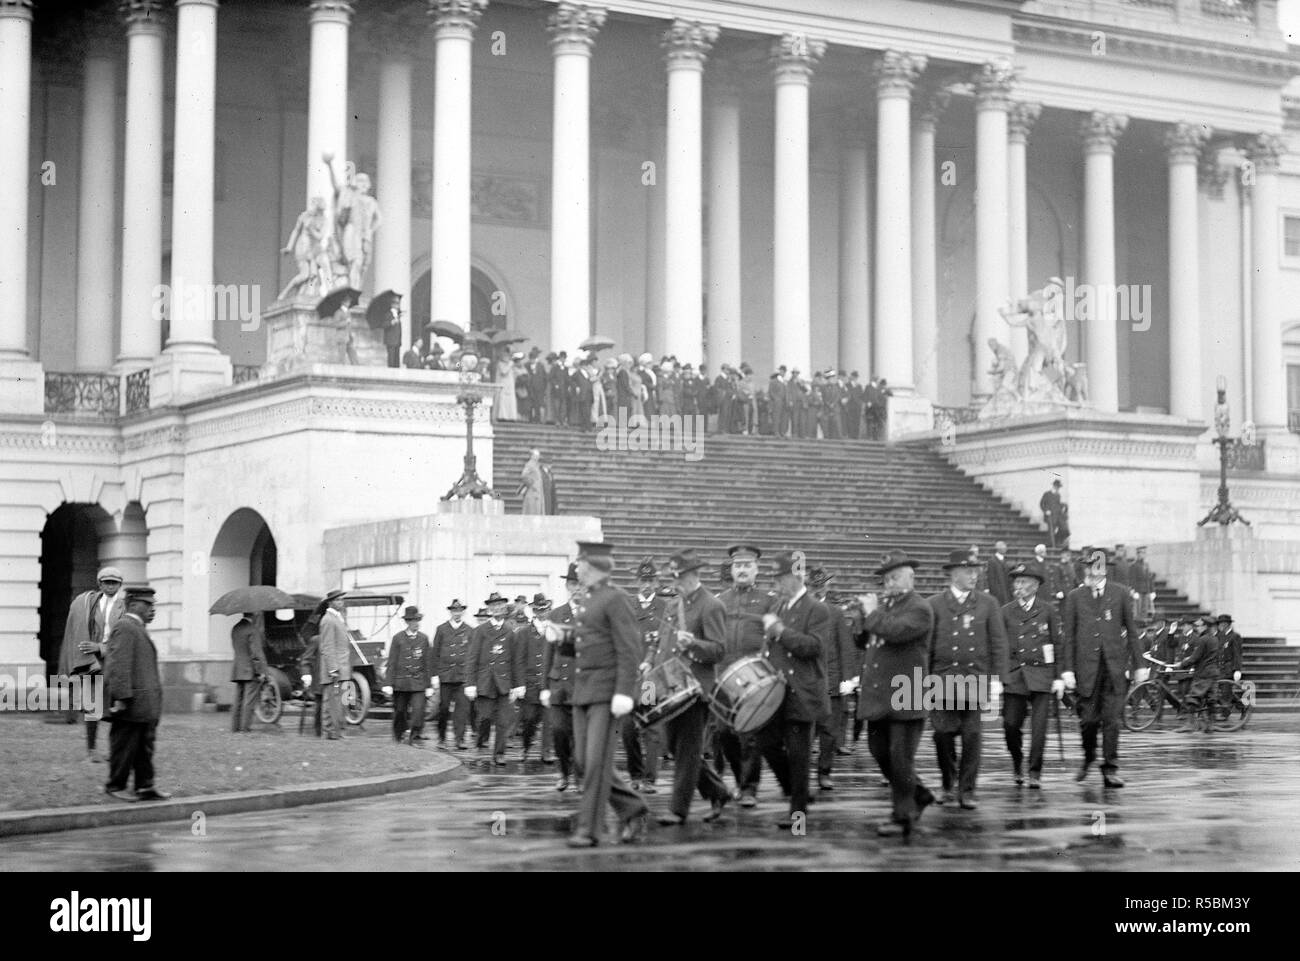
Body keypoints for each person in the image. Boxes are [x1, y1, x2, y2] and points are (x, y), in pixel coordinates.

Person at [566, 541, 650, 847]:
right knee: (583, 761)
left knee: (596, 762)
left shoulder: (615, 599)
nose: (578, 569)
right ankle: (633, 808)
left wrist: (624, 692)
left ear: (596, 567)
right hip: (583, 692)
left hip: (605, 693)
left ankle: (589, 830)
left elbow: (630, 648)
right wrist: (561, 639)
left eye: (581, 565)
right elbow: (586, 643)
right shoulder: (589, 599)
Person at [855, 550, 936, 838]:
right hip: (879, 694)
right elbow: (862, 639)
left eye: (894, 577)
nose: (888, 583)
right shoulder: (885, 605)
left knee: (901, 758)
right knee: (878, 752)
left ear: (910, 578)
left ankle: (903, 816)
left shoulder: (920, 608)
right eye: (885, 578)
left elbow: (896, 631)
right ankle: (920, 793)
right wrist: (862, 616)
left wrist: (872, 613)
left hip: (907, 691)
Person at [649, 549, 731, 826]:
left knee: (687, 750)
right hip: (672, 686)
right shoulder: (674, 605)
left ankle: (678, 810)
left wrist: (693, 644)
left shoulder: (711, 605)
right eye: (674, 577)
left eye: (680, 577)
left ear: (694, 575)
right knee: (675, 745)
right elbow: (661, 643)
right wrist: (650, 665)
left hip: (696, 688)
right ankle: (718, 791)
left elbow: (719, 650)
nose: (676, 582)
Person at [753, 550, 830, 831]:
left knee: (798, 756)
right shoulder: (779, 607)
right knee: (765, 741)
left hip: (803, 693)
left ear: (795, 576)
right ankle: (797, 790)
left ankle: (798, 814)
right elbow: (772, 648)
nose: (777, 584)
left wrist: (781, 632)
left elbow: (813, 647)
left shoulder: (816, 609)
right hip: (778, 692)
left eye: (781, 578)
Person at [927, 550, 1009, 810]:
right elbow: (926, 647)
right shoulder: (934, 604)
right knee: (942, 734)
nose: (974, 576)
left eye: (976, 571)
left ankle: (967, 789)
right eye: (967, 571)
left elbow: (998, 643)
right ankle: (947, 782)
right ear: (952, 573)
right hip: (943, 680)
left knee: (972, 736)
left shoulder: (988, 603)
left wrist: (997, 680)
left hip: (975, 679)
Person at [1060, 549, 1143, 786]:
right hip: (1086, 670)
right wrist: (1067, 669)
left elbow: (1133, 633)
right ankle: (1089, 757)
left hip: (1114, 669)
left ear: (1105, 569)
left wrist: (1139, 665)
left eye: (1095, 567)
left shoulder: (1121, 594)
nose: (1090, 571)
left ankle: (1110, 767)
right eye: (1087, 567)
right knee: (1087, 721)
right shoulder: (1075, 596)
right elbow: (1069, 636)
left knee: (1112, 720)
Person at [714, 544, 781, 806]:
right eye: (737, 566)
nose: (742, 570)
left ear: (756, 569)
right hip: (724, 678)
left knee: (750, 734)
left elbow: (775, 637)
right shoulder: (720, 601)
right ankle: (741, 779)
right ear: (731, 570)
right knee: (724, 734)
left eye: (747, 566)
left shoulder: (769, 601)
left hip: (755, 677)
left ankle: (749, 787)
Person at [999, 562, 1062, 789]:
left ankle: (1035, 772)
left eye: (1023, 582)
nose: (1019, 586)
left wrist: (1058, 676)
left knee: (1039, 729)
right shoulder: (1005, 611)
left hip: (1042, 675)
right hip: (1015, 676)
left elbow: (1057, 643)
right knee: (1010, 726)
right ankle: (1017, 761)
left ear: (1035, 585)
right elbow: (999, 646)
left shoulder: (1048, 610)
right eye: (1016, 582)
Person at [104, 586, 169, 801]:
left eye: (153, 605)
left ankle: (145, 786)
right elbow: (118, 665)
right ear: (132, 604)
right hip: (130, 704)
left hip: (143, 705)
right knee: (124, 746)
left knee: (144, 748)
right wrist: (121, 697)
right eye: (147, 604)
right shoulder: (125, 626)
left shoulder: (136, 627)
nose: (153, 609)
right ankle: (116, 786)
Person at [59, 566, 126, 762]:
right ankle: (92, 751)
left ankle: (116, 751)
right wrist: (92, 649)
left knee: (117, 707)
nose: (110, 586)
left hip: (115, 660)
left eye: (114, 582)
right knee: (92, 707)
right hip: (92, 663)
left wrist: (101, 647)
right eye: (106, 582)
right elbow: (80, 629)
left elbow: (124, 635)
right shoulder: (90, 604)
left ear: (120, 585)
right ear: (100, 584)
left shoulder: (125, 606)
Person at [809, 570, 858, 791]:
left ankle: (824, 772)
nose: (819, 588)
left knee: (829, 731)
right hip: (806, 682)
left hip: (831, 679)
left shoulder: (835, 612)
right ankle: (800, 774)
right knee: (803, 733)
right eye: (815, 584)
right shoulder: (799, 610)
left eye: (822, 585)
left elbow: (845, 647)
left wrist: (848, 679)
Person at [466, 592, 523, 765]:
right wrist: (470, 683)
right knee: (484, 717)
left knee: (503, 720)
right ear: (489, 609)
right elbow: (472, 658)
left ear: (504, 608)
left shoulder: (510, 632)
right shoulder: (480, 631)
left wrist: (517, 685)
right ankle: (480, 742)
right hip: (485, 682)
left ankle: (499, 753)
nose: (497, 608)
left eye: (500, 605)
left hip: (504, 683)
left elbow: (515, 661)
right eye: (493, 605)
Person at [624, 558, 664, 794]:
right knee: (628, 728)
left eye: (650, 580)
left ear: (656, 582)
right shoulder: (627, 607)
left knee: (650, 727)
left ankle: (650, 778)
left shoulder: (664, 607)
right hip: (630, 678)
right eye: (642, 580)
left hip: (651, 680)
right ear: (636, 582)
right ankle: (635, 774)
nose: (646, 585)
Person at [543, 565, 583, 791]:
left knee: (579, 735)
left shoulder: (593, 614)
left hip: (582, 685)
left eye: (581, 585)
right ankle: (563, 771)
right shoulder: (556, 614)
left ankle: (578, 777)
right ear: (568, 587)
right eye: (573, 584)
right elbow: (548, 652)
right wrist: (544, 687)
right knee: (558, 731)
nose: (577, 589)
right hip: (559, 684)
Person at [386, 606, 434, 746]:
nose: (416, 623)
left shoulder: (424, 639)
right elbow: (392, 662)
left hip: (418, 682)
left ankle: (413, 735)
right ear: (407, 622)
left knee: (419, 711)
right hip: (400, 683)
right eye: (413, 620)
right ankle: (398, 735)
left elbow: (427, 663)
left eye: (418, 620)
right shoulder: (398, 638)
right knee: (400, 711)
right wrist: (388, 683)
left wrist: (429, 685)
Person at [432, 599, 473, 749]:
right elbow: (435, 653)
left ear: (463, 612)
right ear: (450, 612)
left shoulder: (469, 630)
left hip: (462, 677)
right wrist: (435, 675)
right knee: (443, 709)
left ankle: (459, 738)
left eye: (460, 610)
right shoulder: (441, 629)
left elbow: (472, 655)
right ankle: (441, 737)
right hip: (445, 676)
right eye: (455, 611)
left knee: (462, 709)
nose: (457, 613)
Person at [514, 594, 551, 761]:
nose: (541, 613)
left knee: (549, 720)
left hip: (549, 682)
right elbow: (519, 660)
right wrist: (519, 684)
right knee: (529, 719)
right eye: (538, 609)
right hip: (530, 683)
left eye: (544, 609)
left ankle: (546, 751)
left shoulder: (554, 631)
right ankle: (526, 746)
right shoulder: (523, 633)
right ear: (533, 611)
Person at [317, 589, 352, 740]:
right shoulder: (328, 620)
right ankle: (330, 732)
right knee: (331, 703)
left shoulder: (338, 618)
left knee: (343, 702)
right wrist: (332, 668)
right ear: (330, 602)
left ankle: (340, 732)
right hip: (336, 670)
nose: (341, 602)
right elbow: (327, 647)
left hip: (344, 668)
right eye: (338, 600)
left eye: (342, 600)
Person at [230, 613, 268, 734]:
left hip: (238, 669)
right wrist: (262, 671)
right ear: (254, 615)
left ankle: (235, 727)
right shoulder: (253, 629)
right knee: (249, 701)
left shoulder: (235, 628)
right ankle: (245, 728)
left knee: (238, 700)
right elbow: (256, 653)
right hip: (251, 670)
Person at [1131, 546, 1156, 621]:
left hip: (1146, 590)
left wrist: (1152, 591)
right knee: (1137, 612)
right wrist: (1133, 591)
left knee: (1145, 611)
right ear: (1138, 554)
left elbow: (1150, 578)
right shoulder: (1134, 565)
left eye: (1144, 553)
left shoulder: (1146, 565)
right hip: (1138, 591)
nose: (1143, 554)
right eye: (1142, 553)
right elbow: (1132, 579)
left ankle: (1144, 626)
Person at [1216, 614, 1243, 684]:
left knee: (1226, 692)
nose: (1219, 626)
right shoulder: (1220, 636)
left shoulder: (1235, 636)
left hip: (1229, 669)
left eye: (1221, 623)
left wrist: (1237, 669)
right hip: (1220, 669)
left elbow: (1237, 653)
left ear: (1227, 624)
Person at [1040, 479, 1067, 548]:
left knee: (1064, 529)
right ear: (1054, 486)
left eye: (1059, 487)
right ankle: (1050, 544)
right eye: (1057, 486)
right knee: (1051, 531)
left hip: (1057, 516)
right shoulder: (1047, 494)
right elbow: (1042, 504)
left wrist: (1063, 506)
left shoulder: (1058, 495)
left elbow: (1057, 505)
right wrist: (1046, 511)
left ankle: (1056, 541)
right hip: (1050, 516)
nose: (1058, 488)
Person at [986, 540, 1012, 606]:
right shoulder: (992, 561)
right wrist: (994, 592)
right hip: (998, 592)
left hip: (1006, 591)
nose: (1006, 549)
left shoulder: (1005, 560)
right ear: (998, 548)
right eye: (1004, 547)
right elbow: (991, 578)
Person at [495, 349, 519, 422]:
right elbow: (504, 371)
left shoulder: (511, 364)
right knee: (503, 401)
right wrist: (509, 365)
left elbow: (515, 374)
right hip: (503, 385)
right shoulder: (500, 364)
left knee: (511, 401)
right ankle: (502, 416)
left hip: (510, 385)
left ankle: (511, 417)